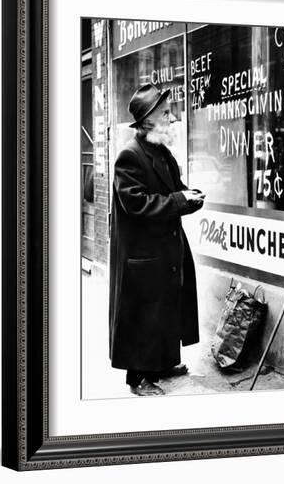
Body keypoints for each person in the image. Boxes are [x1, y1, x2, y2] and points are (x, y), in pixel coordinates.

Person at [108, 83, 205, 396]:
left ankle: (162, 363)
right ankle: (138, 378)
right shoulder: (130, 156)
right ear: (148, 120)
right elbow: (137, 204)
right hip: (141, 254)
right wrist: (180, 199)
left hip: (162, 249)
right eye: (165, 113)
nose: (172, 117)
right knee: (142, 314)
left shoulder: (161, 151)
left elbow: (173, 188)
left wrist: (190, 196)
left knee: (164, 309)